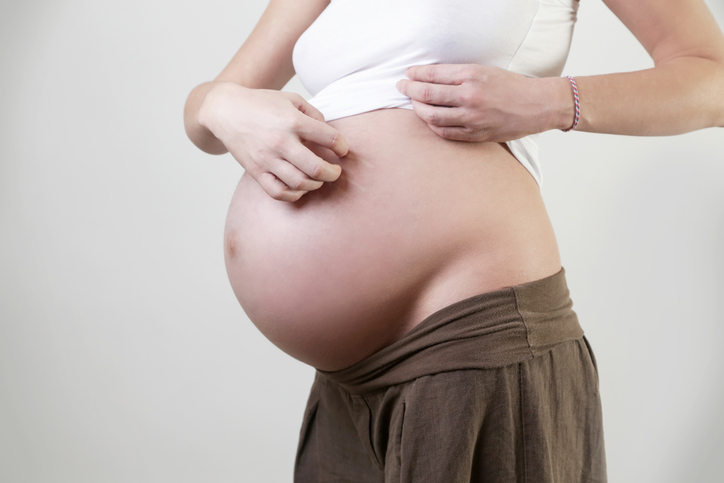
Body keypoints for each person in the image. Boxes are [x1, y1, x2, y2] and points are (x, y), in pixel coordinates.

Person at [184, 0, 724, 481]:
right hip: (346, 384)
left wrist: (555, 102)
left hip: (471, 336)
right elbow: (205, 112)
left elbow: (714, 77)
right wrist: (224, 108)